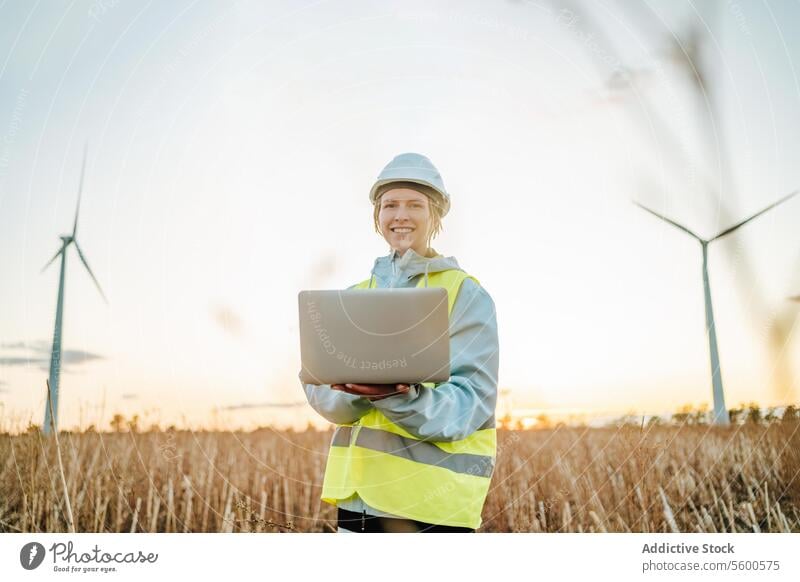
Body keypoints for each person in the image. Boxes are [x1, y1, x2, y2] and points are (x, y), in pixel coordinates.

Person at [301, 152, 500, 533]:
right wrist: (356, 391)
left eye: (415, 205)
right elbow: (319, 386)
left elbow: (469, 405)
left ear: (436, 217)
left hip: (430, 505)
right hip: (356, 501)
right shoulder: (353, 297)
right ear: (377, 217)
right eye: (389, 205)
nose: (400, 215)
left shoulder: (466, 295)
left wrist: (392, 394)